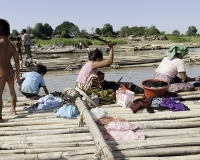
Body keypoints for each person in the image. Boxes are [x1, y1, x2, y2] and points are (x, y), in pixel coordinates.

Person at [76, 41, 143, 94]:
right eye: (102, 58)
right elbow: (109, 62)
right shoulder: (93, 64)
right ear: (98, 58)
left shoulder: (88, 63)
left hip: (82, 86)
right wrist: (111, 48)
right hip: (85, 88)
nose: (102, 60)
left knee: (113, 83)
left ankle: (140, 90)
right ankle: (142, 91)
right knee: (128, 85)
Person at [0, 19, 20, 122]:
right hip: (10, 71)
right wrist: (18, 74)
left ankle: (0, 117)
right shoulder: (12, 46)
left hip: (1, 72)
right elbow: (17, 62)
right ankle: (13, 110)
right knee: (12, 92)